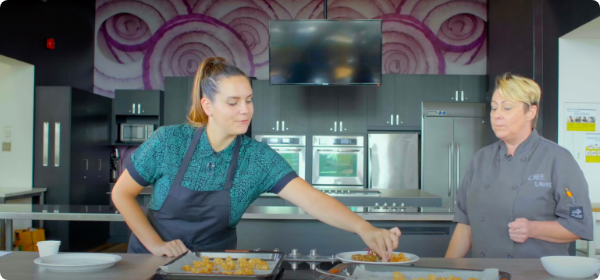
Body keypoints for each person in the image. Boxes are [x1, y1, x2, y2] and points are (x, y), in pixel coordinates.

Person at [111, 56, 401, 259]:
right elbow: (122, 194)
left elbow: (312, 200)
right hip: (150, 262)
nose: (245, 110)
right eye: (233, 102)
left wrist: (365, 228)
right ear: (207, 105)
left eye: (249, 100)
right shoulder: (168, 142)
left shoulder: (257, 159)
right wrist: (155, 243)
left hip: (214, 268)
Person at [445, 73, 593, 259]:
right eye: (493, 108)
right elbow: (465, 225)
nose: (497, 115)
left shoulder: (558, 159)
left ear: (530, 112)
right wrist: (447, 269)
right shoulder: (480, 159)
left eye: (507, 108)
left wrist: (533, 229)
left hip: (534, 274)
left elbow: (579, 225)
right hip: (485, 272)